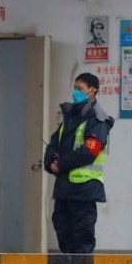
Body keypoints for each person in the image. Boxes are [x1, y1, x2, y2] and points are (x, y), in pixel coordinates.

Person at [43, 73, 115, 253]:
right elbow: (55, 142)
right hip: (65, 186)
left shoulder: (98, 118)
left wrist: (61, 163)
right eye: (75, 88)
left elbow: (89, 151)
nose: (76, 92)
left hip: (84, 187)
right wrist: (50, 161)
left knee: (82, 233)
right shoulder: (71, 115)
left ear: (93, 91)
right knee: (61, 225)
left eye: (80, 89)